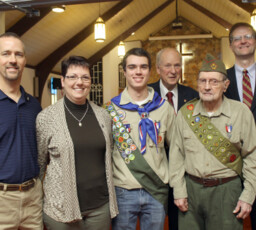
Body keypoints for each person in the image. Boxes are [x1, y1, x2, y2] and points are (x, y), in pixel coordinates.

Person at [169, 53, 256, 230]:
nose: (207, 87)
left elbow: (253, 158)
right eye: (202, 81)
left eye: (214, 81)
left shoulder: (241, 113)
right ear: (197, 84)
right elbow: (176, 157)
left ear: (225, 85)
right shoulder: (185, 113)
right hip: (191, 191)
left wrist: (248, 196)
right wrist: (179, 191)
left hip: (227, 191)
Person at [36, 56, 118, 230]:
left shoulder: (103, 116)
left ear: (90, 82)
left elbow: (109, 156)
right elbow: (40, 164)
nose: (79, 82)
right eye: (72, 77)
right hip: (60, 209)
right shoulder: (46, 117)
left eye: (85, 77)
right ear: (63, 81)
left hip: (99, 208)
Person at [104, 48, 175, 230]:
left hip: (156, 190)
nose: (138, 72)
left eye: (143, 67)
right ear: (124, 71)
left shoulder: (163, 108)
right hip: (123, 191)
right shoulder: (111, 110)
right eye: (132, 67)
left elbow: (176, 150)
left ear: (150, 71)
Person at [225, 22, 256, 230]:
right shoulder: (219, 80)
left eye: (248, 36)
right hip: (229, 170)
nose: (243, 41)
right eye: (237, 38)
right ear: (231, 45)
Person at [149, 47, 198, 230]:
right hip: (156, 173)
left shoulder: (193, 96)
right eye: (167, 65)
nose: (173, 70)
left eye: (177, 65)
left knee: (181, 223)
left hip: (184, 174)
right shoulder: (147, 95)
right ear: (158, 68)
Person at [0, 32, 43, 230]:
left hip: (33, 199)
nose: (12, 60)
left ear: (25, 60)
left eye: (18, 54)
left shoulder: (33, 105)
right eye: (6, 54)